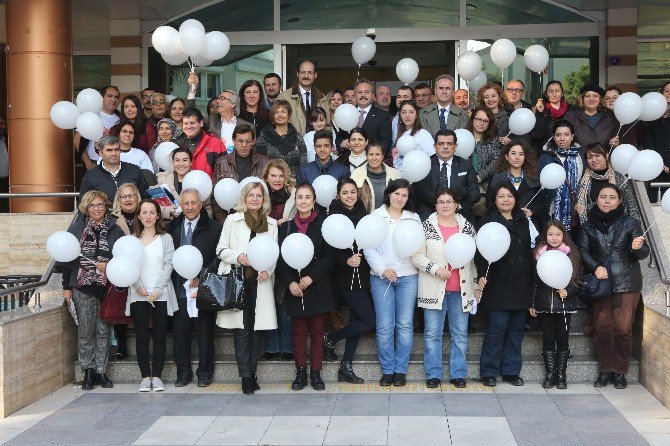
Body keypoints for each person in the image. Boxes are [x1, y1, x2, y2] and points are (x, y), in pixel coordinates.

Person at [577, 184, 649, 389]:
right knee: (602, 329)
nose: (607, 201)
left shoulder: (630, 223)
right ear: (596, 199)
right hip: (601, 283)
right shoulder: (587, 226)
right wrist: (595, 267)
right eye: (603, 197)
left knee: (623, 329)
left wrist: (638, 247)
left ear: (619, 201)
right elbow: (582, 251)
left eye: (612, 197)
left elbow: (643, 253)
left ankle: (620, 372)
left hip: (626, 283)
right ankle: (605, 370)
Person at [411, 188, 478, 388]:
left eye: (449, 201)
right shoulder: (426, 227)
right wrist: (435, 268)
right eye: (441, 202)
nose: (446, 205)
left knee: (460, 334)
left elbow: (474, 259)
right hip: (434, 288)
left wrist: (475, 284)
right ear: (435, 205)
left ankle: (458, 374)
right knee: (432, 334)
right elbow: (416, 256)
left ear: (457, 204)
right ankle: (433, 374)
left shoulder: (467, 228)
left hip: (461, 289)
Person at [215, 182, 278, 395]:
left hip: (260, 283)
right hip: (238, 280)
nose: (254, 199)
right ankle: (246, 376)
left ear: (264, 199)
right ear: (244, 198)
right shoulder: (233, 220)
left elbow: (274, 255)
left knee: (257, 331)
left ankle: (252, 372)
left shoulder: (271, 224)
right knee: (242, 331)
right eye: (250, 195)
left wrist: (267, 270)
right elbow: (221, 249)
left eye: (258, 195)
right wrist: (238, 257)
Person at [58, 190, 125, 390]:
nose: (97, 208)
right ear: (86, 208)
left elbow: (122, 258)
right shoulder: (76, 228)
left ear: (106, 207)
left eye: (100, 205)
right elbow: (67, 260)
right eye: (92, 205)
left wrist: (110, 264)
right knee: (86, 331)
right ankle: (88, 371)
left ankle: (101, 371)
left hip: (106, 287)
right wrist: (66, 287)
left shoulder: (115, 229)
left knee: (103, 331)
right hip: (82, 287)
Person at [277, 183, 335, 391]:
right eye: (299, 197)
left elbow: (330, 257)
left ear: (314, 200)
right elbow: (281, 260)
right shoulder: (286, 227)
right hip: (296, 287)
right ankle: (300, 371)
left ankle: (316, 373)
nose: (303, 201)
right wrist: (290, 282)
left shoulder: (324, 224)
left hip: (317, 285)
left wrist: (311, 277)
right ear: (295, 201)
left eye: (307, 197)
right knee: (299, 331)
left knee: (318, 330)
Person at [475, 182, 533, 387]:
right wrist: (481, 275)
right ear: (494, 199)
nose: (506, 199)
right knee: (496, 329)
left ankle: (511, 371)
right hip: (497, 284)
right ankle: (488, 371)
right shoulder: (486, 222)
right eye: (501, 196)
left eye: (509, 195)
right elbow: (480, 255)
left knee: (516, 330)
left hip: (521, 283)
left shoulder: (524, 220)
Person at [364, 179, 420, 387]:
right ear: (389, 194)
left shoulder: (413, 219)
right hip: (381, 277)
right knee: (385, 326)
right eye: (397, 194)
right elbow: (368, 246)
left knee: (404, 325)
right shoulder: (376, 217)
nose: (400, 198)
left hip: (408, 277)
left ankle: (401, 370)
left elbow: (417, 247)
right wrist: (382, 269)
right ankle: (388, 369)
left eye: (404, 195)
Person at [167, 188, 223, 387]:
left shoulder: (215, 228)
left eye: (193, 203)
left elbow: (219, 258)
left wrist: (202, 276)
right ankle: (183, 373)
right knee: (180, 334)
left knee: (204, 334)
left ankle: (205, 372)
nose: (190, 207)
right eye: (186, 204)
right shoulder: (171, 228)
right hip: (179, 289)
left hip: (202, 290)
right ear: (180, 206)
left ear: (200, 204)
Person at [323, 179, 376, 383]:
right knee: (370, 320)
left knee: (358, 321)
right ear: (338, 195)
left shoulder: (363, 213)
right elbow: (329, 250)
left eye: (353, 192)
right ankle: (330, 338)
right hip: (344, 277)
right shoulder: (333, 216)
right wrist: (346, 260)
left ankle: (346, 365)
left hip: (362, 274)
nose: (349, 196)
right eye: (345, 193)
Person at [127, 199, 177, 392]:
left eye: (152, 212)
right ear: (138, 216)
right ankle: (144, 376)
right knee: (141, 336)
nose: (148, 216)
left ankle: (157, 375)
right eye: (144, 212)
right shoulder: (132, 240)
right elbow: (128, 265)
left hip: (160, 294)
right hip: (139, 294)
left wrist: (157, 290)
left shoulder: (166, 238)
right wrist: (138, 285)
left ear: (158, 215)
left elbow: (169, 264)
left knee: (159, 336)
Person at [529, 220, 582, 389]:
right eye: (550, 234)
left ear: (563, 235)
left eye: (558, 234)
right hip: (545, 306)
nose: (554, 238)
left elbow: (578, 279)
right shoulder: (539, 255)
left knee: (563, 340)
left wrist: (569, 291)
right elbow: (535, 282)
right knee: (548, 339)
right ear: (545, 236)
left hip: (565, 307)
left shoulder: (571, 254)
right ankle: (550, 373)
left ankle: (561, 374)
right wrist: (532, 304)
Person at [261, 159, 296, 360]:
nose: (277, 179)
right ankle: (271, 347)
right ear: (266, 177)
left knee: (283, 302)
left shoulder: (293, 196)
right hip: (264, 253)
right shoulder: (259, 196)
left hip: (286, 254)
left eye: (281, 176)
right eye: (273, 175)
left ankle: (287, 348)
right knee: (267, 302)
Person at [413, 129, 479, 221]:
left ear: (455, 146)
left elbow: (475, 192)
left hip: (459, 213)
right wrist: (440, 205)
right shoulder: (425, 163)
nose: (445, 147)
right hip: (430, 212)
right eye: (441, 144)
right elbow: (420, 190)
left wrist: (457, 206)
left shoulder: (466, 164)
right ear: (435, 146)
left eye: (449, 144)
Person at [109, 183, 142, 360]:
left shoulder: (146, 214)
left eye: (131, 195)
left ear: (137, 197)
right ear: (118, 200)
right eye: (124, 196)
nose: (128, 199)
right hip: (121, 269)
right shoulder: (111, 219)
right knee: (120, 309)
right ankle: (122, 346)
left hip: (144, 267)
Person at [211, 123, 270, 222]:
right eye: (240, 141)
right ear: (233, 141)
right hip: (230, 218)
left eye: (248, 141)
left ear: (253, 141)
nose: (244, 145)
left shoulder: (264, 162)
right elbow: (214, 196)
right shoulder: (222, 163)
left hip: (258, 218)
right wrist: (224, 221)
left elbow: (269, 194)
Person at [537, 120, 586, 232]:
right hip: (552, 209)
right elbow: (539, 183)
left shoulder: (581, 155)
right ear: (554, 137)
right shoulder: (546, 157)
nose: (562, 138)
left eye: (566, 134)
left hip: (576, 208)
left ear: (572, 136)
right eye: (558, 135)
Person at [575, 143, 640, 225]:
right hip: (592, 229)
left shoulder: (620, 179)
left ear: (606, 156)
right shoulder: (583, 181)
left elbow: (632, 207)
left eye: (597, 155)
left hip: (619, 228)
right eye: (590, 157)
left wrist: (635, 231)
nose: (594, 160)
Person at [185, 73, 252, 149]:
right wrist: (192, 89)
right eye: (218, 98)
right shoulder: (211, 122)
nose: (217, 101)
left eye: (222, 98)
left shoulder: (248, 126)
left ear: (233, 104)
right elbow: (190, 113)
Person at [488, 140, 543, 228]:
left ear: (525, 157)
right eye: (513, 153)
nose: (517, 157)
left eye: (521, 154)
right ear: (506, 156)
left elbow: (541, 203)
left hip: (527, 224)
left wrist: (531, 211)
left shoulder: (533, 178)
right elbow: (490, 204)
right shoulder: (497, 178)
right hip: (502, 224)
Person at [79, 135, 148, 201]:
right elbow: (84, 205)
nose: (114, 154)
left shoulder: (134, 170)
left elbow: (145, 197)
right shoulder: (91, 176)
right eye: (109, 150)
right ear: (101, 153)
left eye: (117, 149)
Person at [156, 147, 213, 221]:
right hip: (169, 225)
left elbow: (207, 207)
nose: (181, 164)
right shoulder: (163, 180)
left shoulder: (199, 179)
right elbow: (156, 206)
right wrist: (169, 211)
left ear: (191, 162)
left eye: (185, 160)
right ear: (173, 162)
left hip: (196, 226)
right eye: (177, 160)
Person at [255, 100, 308, 176]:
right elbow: (260, 164)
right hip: (272, 182)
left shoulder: (297, 136)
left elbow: (304, 163)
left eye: (283, 111)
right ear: (272, 116)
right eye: (276, 112)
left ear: (289, 115)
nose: (280, 115)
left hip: (294, 182)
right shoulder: (264, 136)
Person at [277, 59, 329, 134]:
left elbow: (327, 126)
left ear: (315, 75)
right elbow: (278, 125)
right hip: (293, 144)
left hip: (317, 144)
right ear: (297, 74)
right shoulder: (284, 97)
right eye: (303, 72)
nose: (306, 76)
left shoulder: (322, 98)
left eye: (310, 73)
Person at [76, 86, 120, 170]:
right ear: (102, 98)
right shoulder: (92, 115)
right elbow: (77, 140)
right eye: (109, 96)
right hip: (94, 162)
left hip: (114, 163)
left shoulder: (121, 118)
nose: (113, 100)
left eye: (116, 97)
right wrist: (88, 163)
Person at [352, 140, 401, 213]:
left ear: (383, 156)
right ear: (366, 156)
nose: (374, 158)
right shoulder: (356, 175)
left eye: (377, 154)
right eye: (371, 154)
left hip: (390, 220)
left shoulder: (394, 175)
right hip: (365, 220)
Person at [179, 108, 226, 178]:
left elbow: (224, 172)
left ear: (201, 123)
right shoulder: (177, 144)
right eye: (185, 123)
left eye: (192, 123)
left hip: (208, 188)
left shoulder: (216, 144)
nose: (188, 126)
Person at [532, 81, 576, 152]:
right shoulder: (539, 110)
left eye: (557, 91)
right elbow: (537, 135)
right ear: (546, 94)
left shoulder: (572, 111)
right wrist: (540, 114)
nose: (554, 94)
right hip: (546, 153)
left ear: (562, 93)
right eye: (550, 91)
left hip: (568, 152)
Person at [644, 81, 670, 197]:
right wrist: (660, 164)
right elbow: (649, 143)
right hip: (657, 168)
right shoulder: (653, 118)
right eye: (667, 91)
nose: (669, 94)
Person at [467, 106, 500, 197]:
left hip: (486, 184)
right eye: (479, 119)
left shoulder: (494, 140)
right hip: (464, 183)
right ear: (472, 119)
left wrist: (481, 176)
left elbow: (496, 161)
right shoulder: (462, 137)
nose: (481, 123)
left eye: (485, 121)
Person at [393, 100, 435, 170]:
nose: (407, 115)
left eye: (411, 112)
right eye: (404, 112)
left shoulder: (422, 133)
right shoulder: (400, 135)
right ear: (400, 115)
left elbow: (433, 157)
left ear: (416, 115)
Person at [355, 79, 393, 156]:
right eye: (359, 92)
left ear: (373, 96)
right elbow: (339, 138)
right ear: (354, 95)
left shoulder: (383, 116)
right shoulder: (347, 113)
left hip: (372, 162)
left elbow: (385, 143)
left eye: (367, 92)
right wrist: (342, 142)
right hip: (348, 162)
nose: (363, 95)